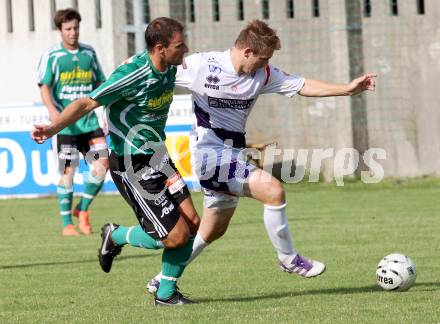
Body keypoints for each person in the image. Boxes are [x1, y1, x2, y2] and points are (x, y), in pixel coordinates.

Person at [147, 19, 376, 292]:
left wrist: (347, 89)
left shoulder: (263, 74)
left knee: (212, 231)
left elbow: (301, 85)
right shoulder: (201, 65)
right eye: (262, 58)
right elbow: (152, 67)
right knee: (273, 190)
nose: (265, 63)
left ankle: (162, 280)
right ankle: (289, 259)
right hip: (208, 155)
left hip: (233, 155)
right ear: (246, 51)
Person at [32, 17, 200, 306]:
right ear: (160, 48)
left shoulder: (171, 66)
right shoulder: (132, 73)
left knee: (193, 223)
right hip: (131, 164)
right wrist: (52, 128)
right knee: (175, 236)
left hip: (158, 156)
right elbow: (87, 102)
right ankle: (123, 242)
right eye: (179, 45)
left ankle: (160, 286)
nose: (185, 49)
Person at [37, 8, 108, 236]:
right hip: (65, 125)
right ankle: (67, 224)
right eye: (68, 29)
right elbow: (43, 85)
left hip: (88, 122)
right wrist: (53, 113)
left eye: (76, 28)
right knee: (68, 173)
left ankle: (83, 210)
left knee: (102, 165)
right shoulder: (53, 56)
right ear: (60, 31)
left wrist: (106, 111)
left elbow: (101, 83)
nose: (73, 32)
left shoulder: (89, 53)